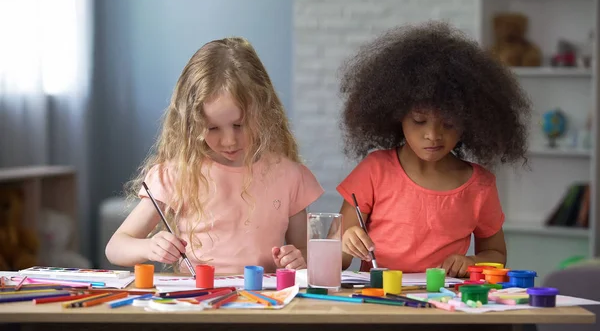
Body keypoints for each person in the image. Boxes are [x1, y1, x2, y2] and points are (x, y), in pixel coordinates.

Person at [105, 37, 324, 275]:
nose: (229, 140)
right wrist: (149, 247)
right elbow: (116, 247)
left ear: (263, 112)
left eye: (239, 125)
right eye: (212, 128)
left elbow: (303, 250)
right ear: (191, 124)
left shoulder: (289, 176)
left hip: (264, 304)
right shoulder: (178, 173)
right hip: (195, 304)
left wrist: (297, 259)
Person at [335, 21, 531, 277]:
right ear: (397, 115)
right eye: (419, 121)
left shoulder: (480, 186)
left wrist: (471, 261)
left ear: (469, 122)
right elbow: (337, 259)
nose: (433, 135)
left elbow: (496, 255)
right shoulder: (374, 171)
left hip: (443, 306)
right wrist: (347, 240)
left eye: (448, 124)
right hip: (380, 301)